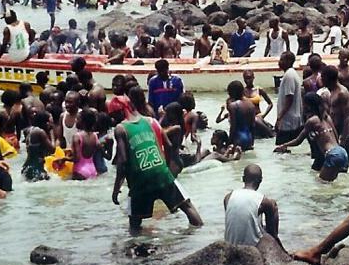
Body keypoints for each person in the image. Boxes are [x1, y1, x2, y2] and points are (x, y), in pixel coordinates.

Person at [111, 87, 204, 235]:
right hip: (161, 172)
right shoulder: (151, 121)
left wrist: (116, 189)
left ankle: (138, 252)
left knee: (134, 223)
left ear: (120, 112)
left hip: (139, 180)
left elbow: (122, 161)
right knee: (187, 206)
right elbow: (167, 145)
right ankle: (199, 236)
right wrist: (165, 166)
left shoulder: (121, 129)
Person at [275, 93, 349, 182]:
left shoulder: (312, 121)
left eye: (303, 103)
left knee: (319, 184)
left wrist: (283, 145)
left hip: (332, 154)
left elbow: (298, 140)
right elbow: (336, 136)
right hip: (342, 152)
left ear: (308, 106)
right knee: (330, 184)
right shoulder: (327, 117)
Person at [223, 164, 279, 247]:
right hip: (252, 247)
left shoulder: (228, 197)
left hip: (230, 245)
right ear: (260, 180)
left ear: (243, 179)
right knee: (273, 204)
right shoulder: (263, 201)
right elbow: (271, 232)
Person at [275, 52, 304, 146]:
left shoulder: (289, 76)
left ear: (288, 61)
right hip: (291, 119)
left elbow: (289, 98)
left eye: (282, 60)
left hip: (288, 121)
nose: (279, 62)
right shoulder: (291, 74)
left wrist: (279, 117)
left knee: (280, 149)